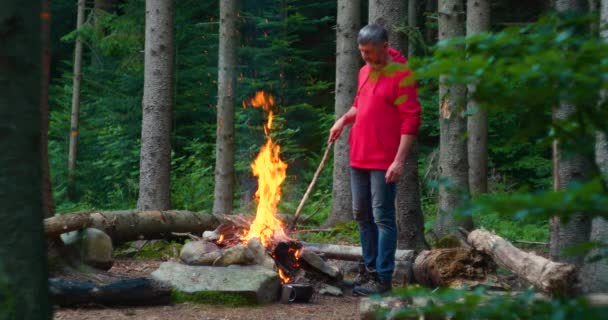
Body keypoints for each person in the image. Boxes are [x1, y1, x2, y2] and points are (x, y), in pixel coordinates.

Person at [329, 24, 421, 296]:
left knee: (383, 218)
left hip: (384, 159)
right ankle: (368, 272)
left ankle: (383, 279)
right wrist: (344, 119)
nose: (365, 56)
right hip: (359, 155)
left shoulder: (401, 75)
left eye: (369, 51)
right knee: (362, 215)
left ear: (384, 45)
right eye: (361, 52)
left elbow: (411, 120)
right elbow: (360, 105)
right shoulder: (364, 72)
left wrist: (399, 160)